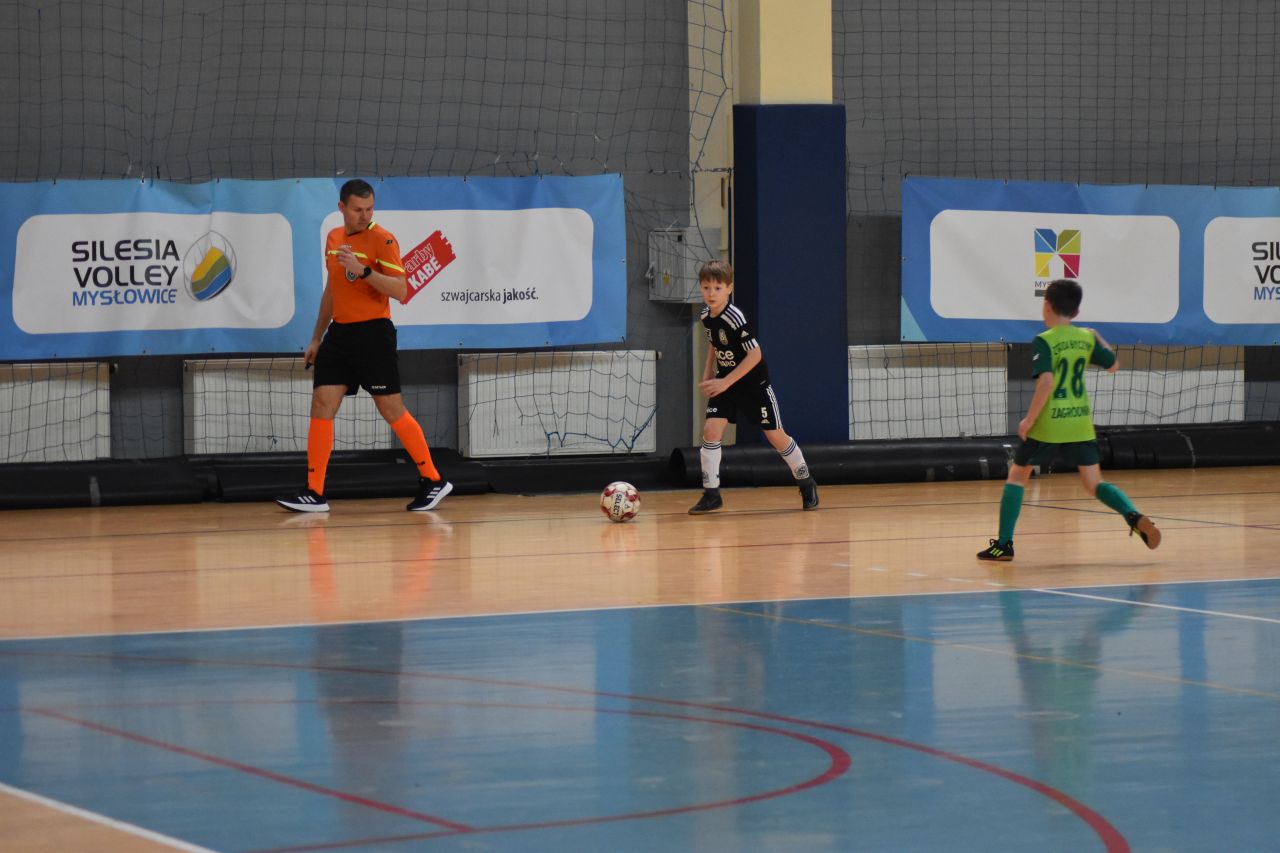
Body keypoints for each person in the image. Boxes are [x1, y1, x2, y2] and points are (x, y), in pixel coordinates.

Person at [276, 179, 451, 514]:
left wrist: (364, 270)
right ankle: (314, 492)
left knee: (390, 408)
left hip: (373, 334)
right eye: (358, 209)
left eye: (369, 209)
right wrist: (316, 337)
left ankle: (433, 479)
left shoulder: (383, 239)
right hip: (339, 335)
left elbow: (401, 290)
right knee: (322, 402)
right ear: (342, 207)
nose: (365, 215)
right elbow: (332, 291)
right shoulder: (333, 238)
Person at [978, 278, 1159, 560]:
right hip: (1080, 422)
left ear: (1046, 306)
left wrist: (1028, 419)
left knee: (1017, 477)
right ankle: (1133, 516)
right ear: (1075, 311)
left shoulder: (1045, 340)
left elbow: (1046, 382)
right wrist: (1097, 337)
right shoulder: (1086, 337)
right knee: (1094, 483)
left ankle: (1003, 545)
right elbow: (1114, 365)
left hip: (1050, 424)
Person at [688, 260, 818, 514]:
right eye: (706, 288)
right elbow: (714, 342)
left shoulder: (735, 317)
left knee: (775, 436)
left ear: (729, 289)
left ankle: (806, 482)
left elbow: (755, 354)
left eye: (717, 288)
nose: (711, 293)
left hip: (752, 385)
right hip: (725, 383)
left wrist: (725, 381)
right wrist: (708, 371)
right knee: (711, 431)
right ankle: (711, 494)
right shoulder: (706, 315)